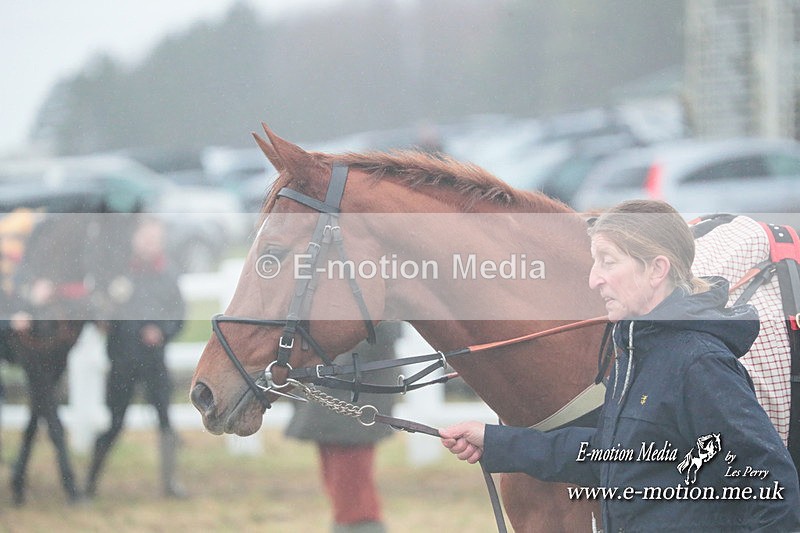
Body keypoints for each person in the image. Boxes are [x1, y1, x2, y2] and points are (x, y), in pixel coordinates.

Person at [440, 200, 800, 532]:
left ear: (657, 269)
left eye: (608, 262)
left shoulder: (698, 363)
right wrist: (496, 441)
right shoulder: (636, 354)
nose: (594, 279)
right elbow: (613, 455)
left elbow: (772, 491)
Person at [86, 216, 185, 498]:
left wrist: (161, 331)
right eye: (145, 238)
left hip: (154, 362)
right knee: (114, 424)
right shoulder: (118, 272)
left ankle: (170, 484)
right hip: (122, 361)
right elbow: (101, 311)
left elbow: (178, 316)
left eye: (155, 239)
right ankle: (91, 482)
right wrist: (103, 319)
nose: (150, 244)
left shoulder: (168, 274)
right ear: (135, 239)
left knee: (165, 423)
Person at [285, 321, 403, 533]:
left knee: (353, 493)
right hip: (337, 391)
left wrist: (334, 369)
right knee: (340, 488)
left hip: (355, 391)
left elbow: (380, 334)